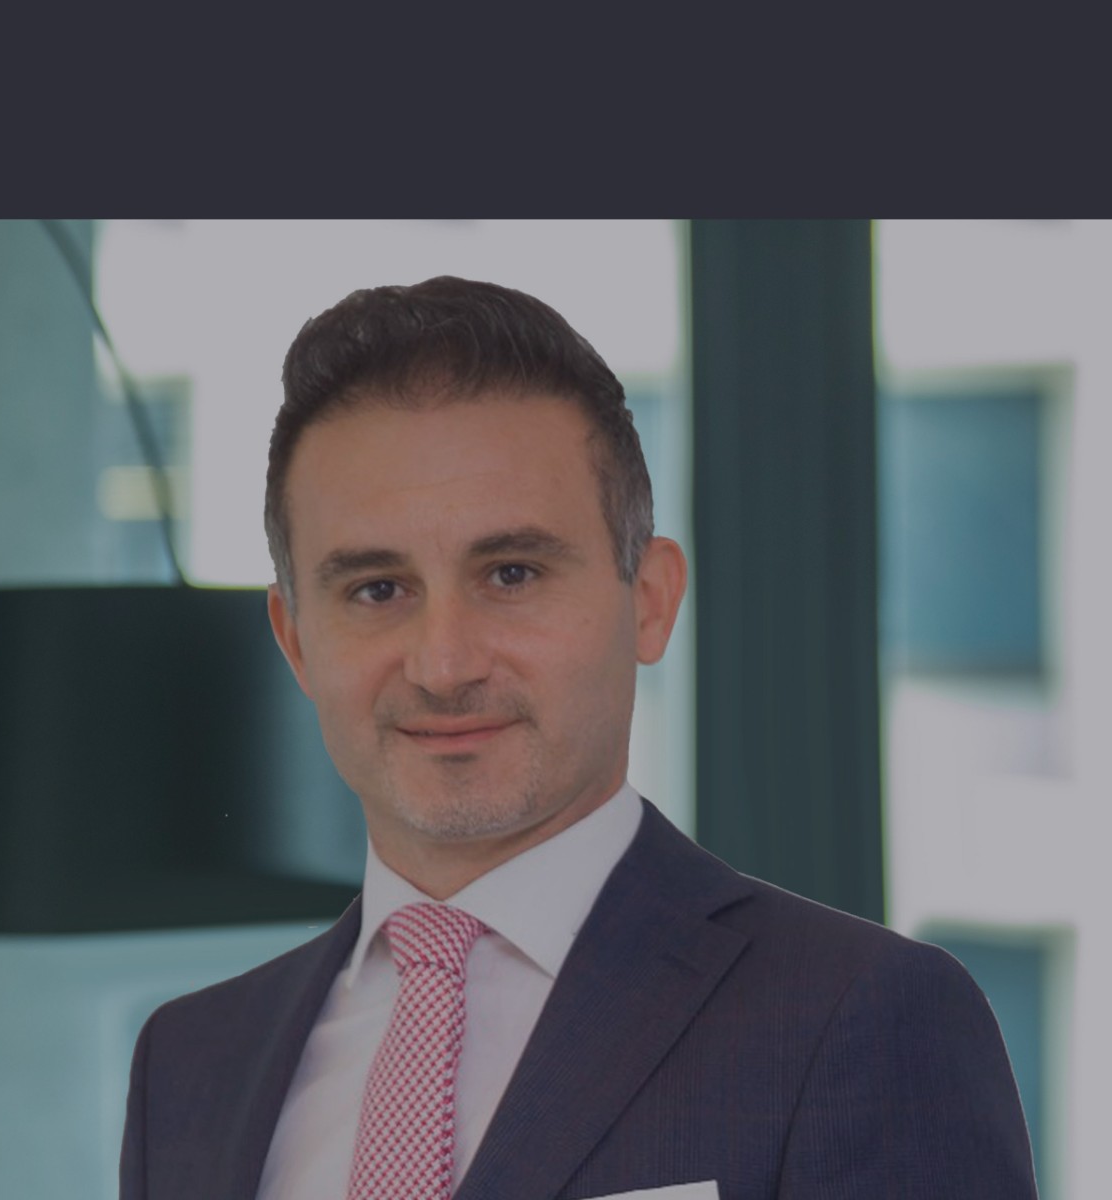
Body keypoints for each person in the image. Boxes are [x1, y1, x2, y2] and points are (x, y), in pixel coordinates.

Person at [120, 276, 1037, 1200]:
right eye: (377, 590)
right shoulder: (189, 1064)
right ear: (295, 641)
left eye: (511, 574)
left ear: (651, 602)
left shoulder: (859, 1018)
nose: (443, 665)